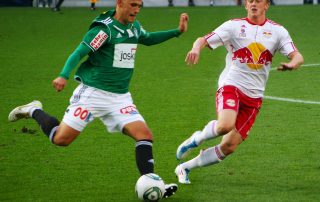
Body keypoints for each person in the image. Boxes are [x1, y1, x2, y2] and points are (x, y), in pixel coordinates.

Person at [9, 0, 188, 198]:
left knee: (144, 135)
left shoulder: (133, 27)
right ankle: (33, 109)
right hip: (92, 95)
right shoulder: (104, 31)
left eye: (140, 5)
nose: (137, 10)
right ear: (120, 3)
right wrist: (63, 75)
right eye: (133, 4)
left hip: (120, 98)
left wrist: (177, 31)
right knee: (61, 139)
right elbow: (79, 53)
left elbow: (148, 38)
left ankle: (153, 185)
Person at [175, 0, 303, 184]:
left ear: (266, 5)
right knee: (225, 126)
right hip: (231, 85)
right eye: (250, 0)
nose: (253, 4)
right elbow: (203, 39)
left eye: (258, 1)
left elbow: (297, 56)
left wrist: (292, 64)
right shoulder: (234, 26)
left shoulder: (278, 31)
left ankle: (185, 167)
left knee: (229, 146)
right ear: (245, 5)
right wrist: (196, 48)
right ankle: (197, 138)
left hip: (254, 97)